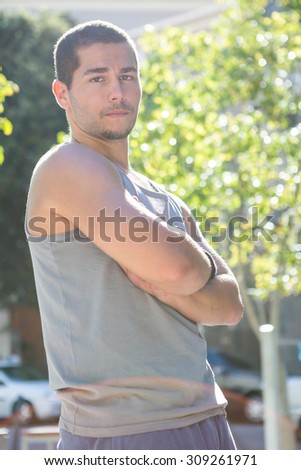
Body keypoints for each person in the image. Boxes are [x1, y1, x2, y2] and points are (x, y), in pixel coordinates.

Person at [25, 20, 244, 450]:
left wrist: (173, 287)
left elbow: (231, 305)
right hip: (126, 432)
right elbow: (180, 268)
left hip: (209, 419)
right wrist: (188, 274)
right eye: (98, 78)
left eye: (127, 76)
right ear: (62, 94)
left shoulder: (160, 195)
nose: (117, 91)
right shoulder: (66, 166)